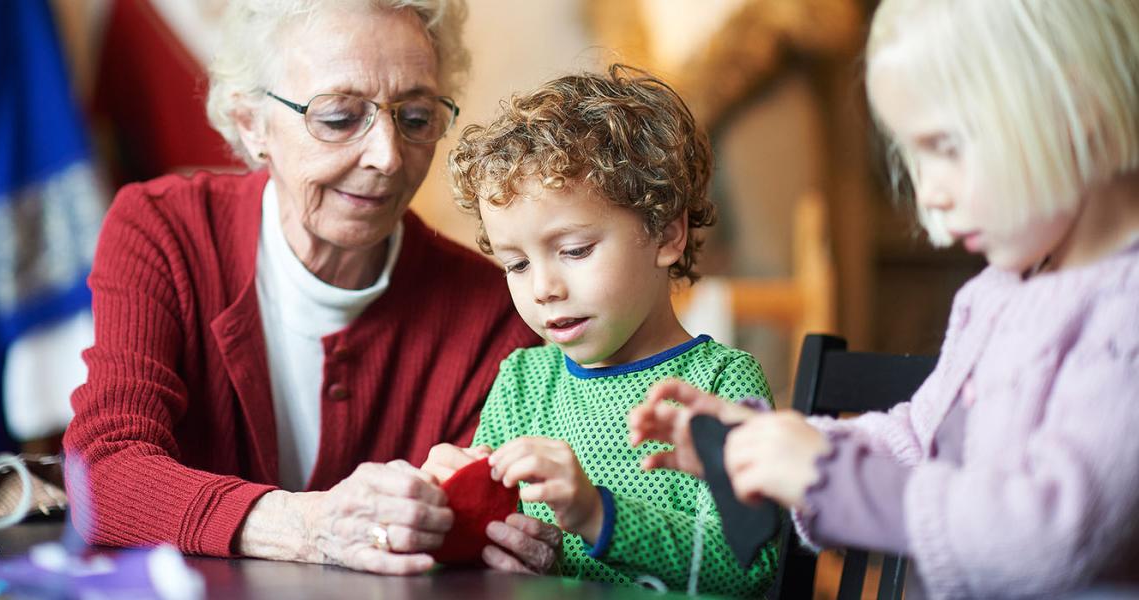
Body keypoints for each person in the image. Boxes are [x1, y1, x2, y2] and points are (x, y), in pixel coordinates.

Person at [629, 0, 1139, 597]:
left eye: (946, 146)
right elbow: (915, 443)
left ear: (1074, 108)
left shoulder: (1122, 312)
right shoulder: (998, 294)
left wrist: (827, 478)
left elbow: (1049, 535)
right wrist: (777, 450)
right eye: (912, 157)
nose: (929, 195)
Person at [63, 0, 551, 575]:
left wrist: (525, 543)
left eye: (416, 118)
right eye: (340, 116)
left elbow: (483, 543)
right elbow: (105, 470)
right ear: (251, 123)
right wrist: (306, 525)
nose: (388, 157)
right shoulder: (165, 232)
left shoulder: (493, 311)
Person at [424, 65, 778, 596]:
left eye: (574, 251)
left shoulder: (721, 385)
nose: (543, 287)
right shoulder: (521, 383)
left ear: (667, 233)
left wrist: (597, 515)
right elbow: (496, 550)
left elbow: (748, 565)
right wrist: (450, 509)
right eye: (516, 264)